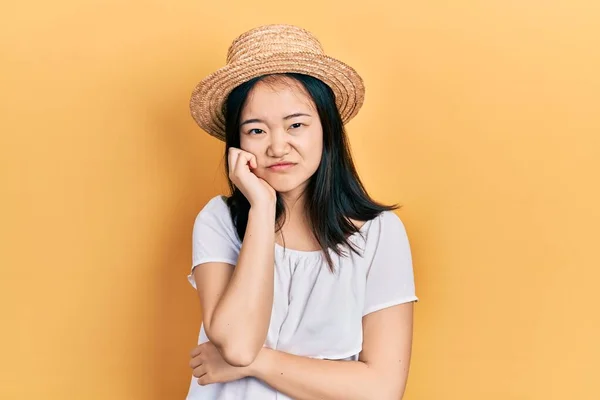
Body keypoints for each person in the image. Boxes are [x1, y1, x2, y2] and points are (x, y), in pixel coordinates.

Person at [185, 24, 419, 400]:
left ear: (326, 129)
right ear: (237, 142)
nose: (278, 146)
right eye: (256, 131)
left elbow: (381, 390)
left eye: (296, 125)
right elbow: (238, 343)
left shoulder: (380, 234)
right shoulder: (219, 220)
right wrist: (262, 208)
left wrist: (259, 364)